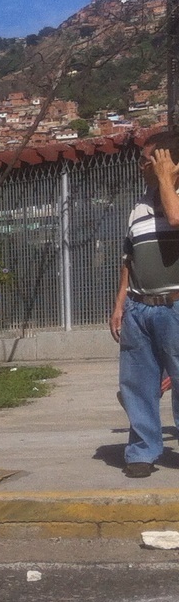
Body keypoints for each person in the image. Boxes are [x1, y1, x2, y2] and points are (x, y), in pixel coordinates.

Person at [112, 132, 179, 477]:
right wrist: (120, 302)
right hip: (139, 308)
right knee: (136, 383)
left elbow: (175, 219)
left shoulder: (175, 200)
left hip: (175, 307)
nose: (140, 166)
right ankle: (142, 450)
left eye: (147, 159)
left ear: (167, 161)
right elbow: (130, 257)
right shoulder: (138, 207)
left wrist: (168, 181)